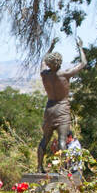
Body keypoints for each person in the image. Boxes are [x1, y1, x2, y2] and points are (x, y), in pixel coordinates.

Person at [36, 39, 86, 172]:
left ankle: (39, 166)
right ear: (59, 62)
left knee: (45, 139)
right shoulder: (65, 74)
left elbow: (41, 62)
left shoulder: (44, 75)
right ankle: (62, 168)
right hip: (62, 109)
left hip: (49, 109)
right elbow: (83, 63)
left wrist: (50, 48)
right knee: (62, 140)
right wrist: (80, 48)